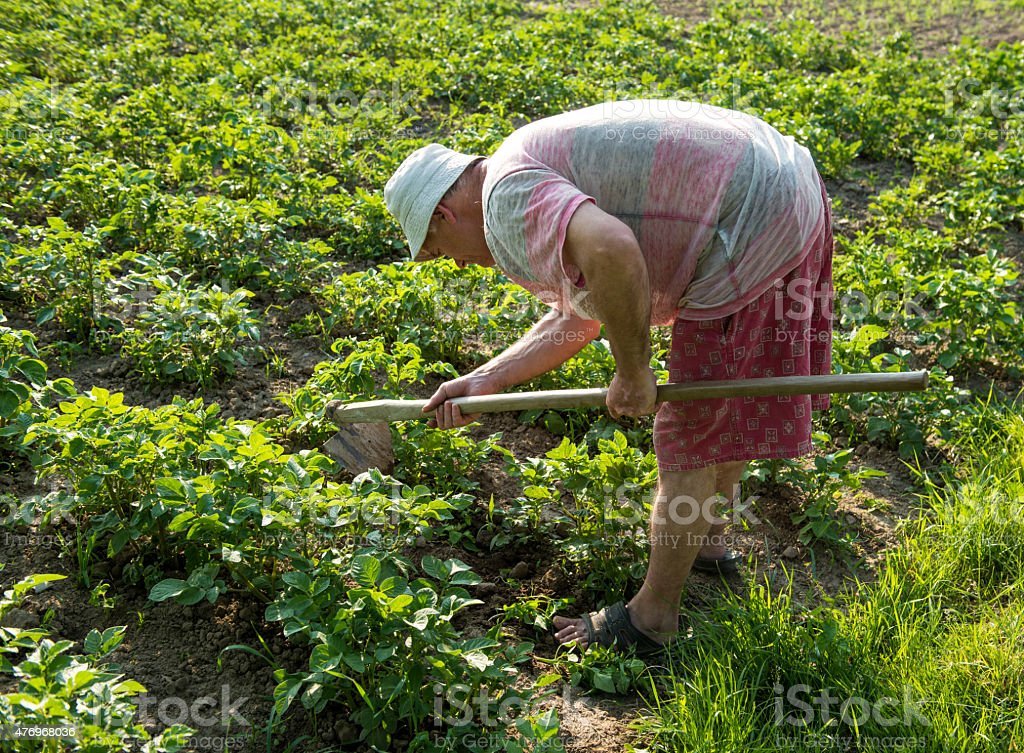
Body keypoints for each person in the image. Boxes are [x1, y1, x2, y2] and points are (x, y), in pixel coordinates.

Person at [382, 99, 833, 658]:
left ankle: (652, 619)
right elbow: (588, 309)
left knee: (691, 431)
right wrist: (486, 379)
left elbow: (614, 252)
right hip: (784, 183)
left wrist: (634, 372)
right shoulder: (511, 172)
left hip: (750, 214)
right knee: (722, 400)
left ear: (444, 217)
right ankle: (710, 545)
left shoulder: (504, 200)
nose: (454, 264)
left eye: (436, 252)